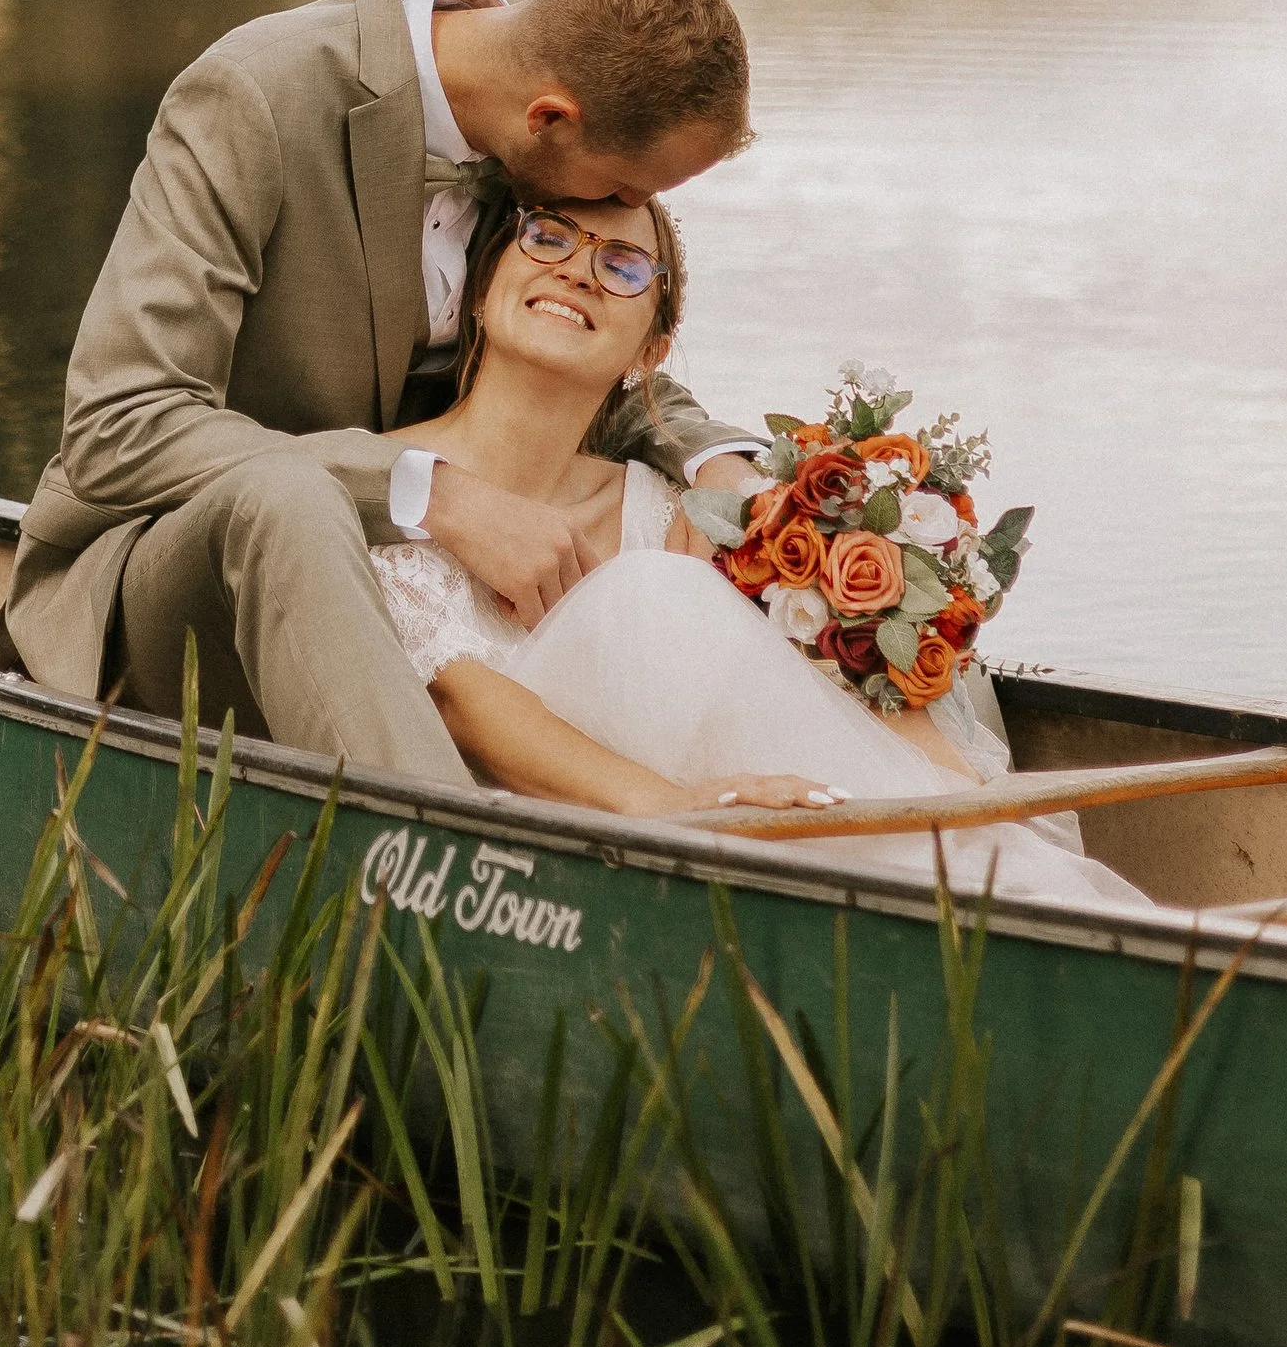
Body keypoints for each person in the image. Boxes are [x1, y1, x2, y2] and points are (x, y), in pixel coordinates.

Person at [0, 0, 774, 779]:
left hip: (383, 605)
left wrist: (717, 460)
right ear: (550, 119)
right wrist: (434, 493)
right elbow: (118, 426)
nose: (619, 215)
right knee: (289, 498)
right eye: (622, 191)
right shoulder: (254, 96)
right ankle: (442, 849)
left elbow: (576, 350)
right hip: (167, 588)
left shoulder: (530, 119)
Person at [373, 183, 1152, 915]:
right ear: (480, 293)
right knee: (651, 594)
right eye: (548, 238)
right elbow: (463, 705)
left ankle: (993, 879)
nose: (577, 271)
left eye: (623, 265)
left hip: (774, 845)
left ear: (651, 352)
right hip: (566, 867)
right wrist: (681, 809)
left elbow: (819, 687)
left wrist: (958, 798)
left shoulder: (680, 508)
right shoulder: (382, 490)